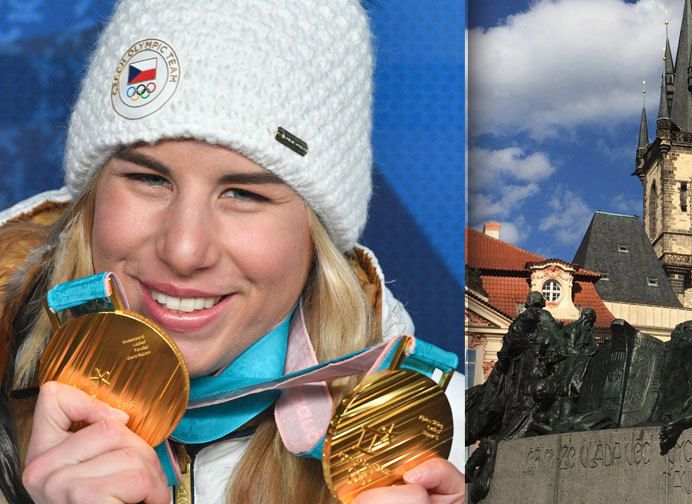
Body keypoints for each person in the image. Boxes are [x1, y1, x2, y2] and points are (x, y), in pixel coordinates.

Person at [0, 0, 464, 503]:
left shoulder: (452, 444)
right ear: (92, 198)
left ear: (316, 233)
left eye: (244, 194)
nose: (183, 250)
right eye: (148, 179)